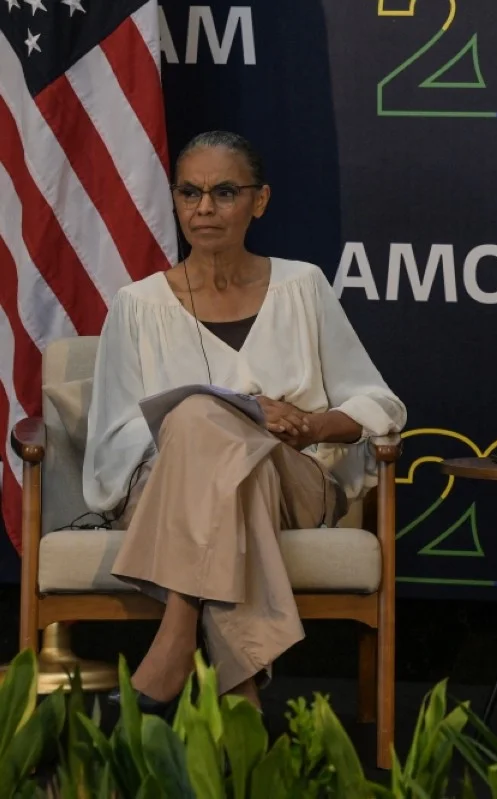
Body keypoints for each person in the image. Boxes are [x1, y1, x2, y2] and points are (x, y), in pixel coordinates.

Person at [82, 131, 407, 713]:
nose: (204, 208)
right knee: (202, 422)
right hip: (167, 486)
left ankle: (174, 645)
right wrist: (241, 416)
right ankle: (242, 689)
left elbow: (379, 405)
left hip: (294, 483)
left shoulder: (301, 286)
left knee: (208, 425)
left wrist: (307, 425)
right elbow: (114, 437)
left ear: (259, 200)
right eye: (190, 192)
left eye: (224, 192)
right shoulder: (136, 305)